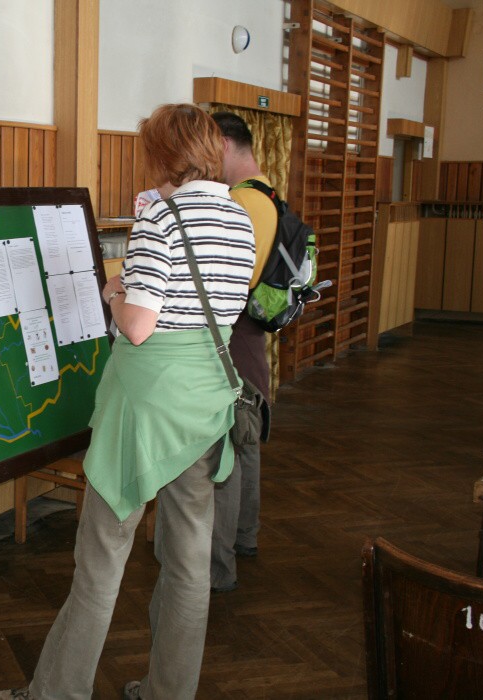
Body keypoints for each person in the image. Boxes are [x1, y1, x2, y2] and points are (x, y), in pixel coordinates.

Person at [0, 104, 255, 700]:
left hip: (144, 411)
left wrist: (114, 292)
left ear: (163, 155)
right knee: (189, 564)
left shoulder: (160, 218)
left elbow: (138, 326)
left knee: (101, 562)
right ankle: (170, 692)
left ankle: (56, 694)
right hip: (205, 407)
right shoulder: (240, 219)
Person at [208, 111, 276, 593]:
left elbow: (226, 282)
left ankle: (223, 557)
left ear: (225, 145)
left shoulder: (239, 202)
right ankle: (245, 536)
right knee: (246, 438)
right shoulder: (266, 194)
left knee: (232, 444)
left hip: (234, 333)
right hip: (251, 335)